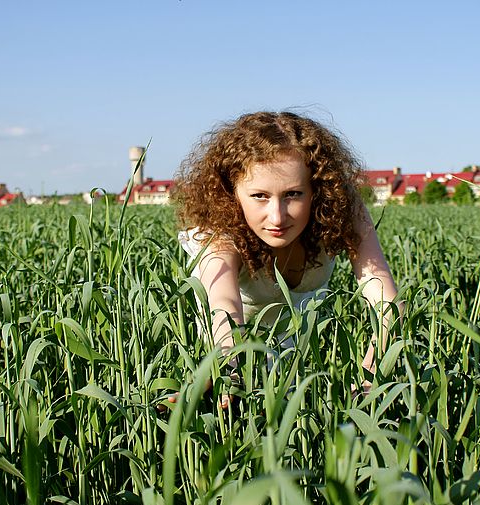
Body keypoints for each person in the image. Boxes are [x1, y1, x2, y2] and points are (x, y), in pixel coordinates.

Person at [168, 110, 401, 409]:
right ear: (233, 193)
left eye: (293, 194)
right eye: (259, 196)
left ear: (317, 190)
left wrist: (371, 379)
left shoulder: (344, 211)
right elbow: (224, 308)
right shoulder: (222, 236)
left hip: (293, 341)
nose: (277, 217)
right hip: (223, 340)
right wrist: (228, 371)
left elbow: (389, 304)